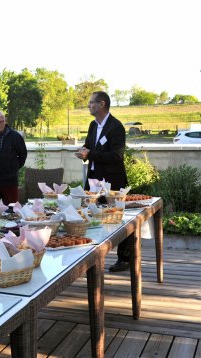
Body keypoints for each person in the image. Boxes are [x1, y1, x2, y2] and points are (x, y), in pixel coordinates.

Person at [76, 91, 129, 272]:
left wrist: (90, 154)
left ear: (101, 104)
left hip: (112, 180)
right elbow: (89, 146)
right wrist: (83, 152)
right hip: (93, 179)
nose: (89, 106)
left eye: (91, 103)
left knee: (117, 216)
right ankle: (90, 254)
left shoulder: (116, 127)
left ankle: (125, 259)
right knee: (88, 212)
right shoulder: (93, 125)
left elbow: (116, 156)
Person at [0, 110, 27, 208]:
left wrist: (12, 168)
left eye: (1, 121)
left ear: (5, 121)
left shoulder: (15, 136)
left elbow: (23, 155)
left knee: (12, 210)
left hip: (9, 180)